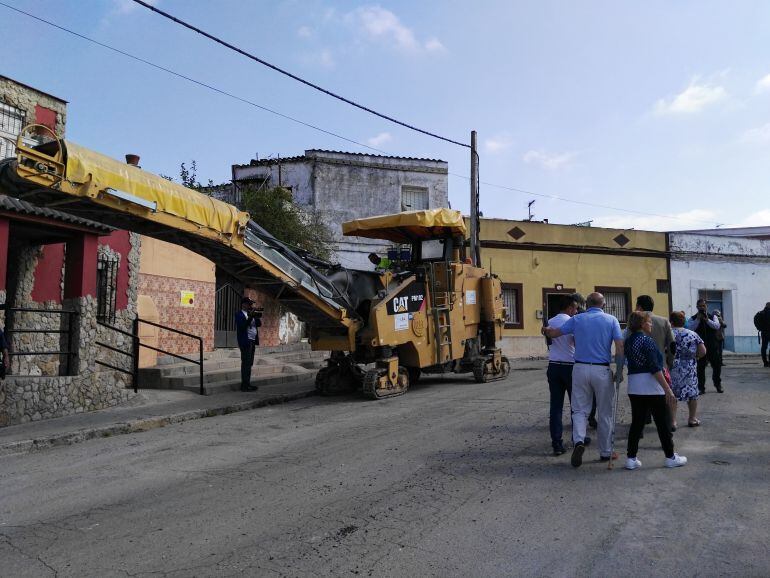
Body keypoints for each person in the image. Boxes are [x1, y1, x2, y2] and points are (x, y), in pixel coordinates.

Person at [543, 292, 623, 467]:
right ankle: (605, 451)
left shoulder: (577, 319)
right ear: (603, 304)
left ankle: (578, 440)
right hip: (601, 369)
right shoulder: (612, 320)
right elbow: (619, 346)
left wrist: (546, 330)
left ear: (586, 304)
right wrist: (620, 369)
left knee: (579, 409)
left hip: (579, 368)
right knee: (605, 411)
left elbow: (555, 333)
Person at [624, 311, 687, 470]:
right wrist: (668, 389)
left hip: (634, 385)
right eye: (649, 322)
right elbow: (655, 368)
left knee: (637, 423)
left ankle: (631, 458)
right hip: (651, 386)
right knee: (662, 423)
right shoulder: (648, 341)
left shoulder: (629, 341)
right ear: (643, 324)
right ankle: (670, 456)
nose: (651, 324)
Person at [545, 295, 580, 455]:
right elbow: (576, 342)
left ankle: (556, 443)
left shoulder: (550, 322)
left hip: (553, 365)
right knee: (576, 406)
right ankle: (578, 438)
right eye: (575, 308)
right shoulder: (573, 322)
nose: (577, 311)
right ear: (569, 308)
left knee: (556, 407)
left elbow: (548, 341)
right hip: (570, 365)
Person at [669, 311, 706, 428]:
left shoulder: (669, 334)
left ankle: (673, 421)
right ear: (684, 321)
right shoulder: (693, 334)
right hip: (689, 367)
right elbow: (703, 351)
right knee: (692, 394)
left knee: (672, 394)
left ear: (671, 322)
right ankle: (692, 418)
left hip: (673, 367)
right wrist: (696, 357)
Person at [687, 299, 723, 393]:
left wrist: (707, 320)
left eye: (703, 306)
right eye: (700, 306)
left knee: (716, 366)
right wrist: (698, 320)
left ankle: (717, 384)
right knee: (700, 367)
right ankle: (701, 387)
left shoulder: (713, 316)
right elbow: (691, 328)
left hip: (712, 346)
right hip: (700, 347)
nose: (702, 308)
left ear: (706, 306)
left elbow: (717, 326)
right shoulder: (693, 318)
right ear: (697, 307)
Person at [235, 297, 262, 392]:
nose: (251, 306)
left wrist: (255, 315)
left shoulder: (251, 314)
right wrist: (250, 317)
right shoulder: (239, 314)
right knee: (246, 363)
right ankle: (244, 385)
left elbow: (259, 324)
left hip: (252, 341)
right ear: (244, 304)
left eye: (251, 304)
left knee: (249, 363)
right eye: (249, 304)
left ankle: (248, 383)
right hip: (245, 341)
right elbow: (242, 326)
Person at [753, 303, 770, 367]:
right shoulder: (761, 313)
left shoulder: (760, 313)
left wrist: (759, 328)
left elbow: (755, 320)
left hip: (764, 332)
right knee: (764, 348)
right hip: (766, 332)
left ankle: (765, 362)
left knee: (764, 348)